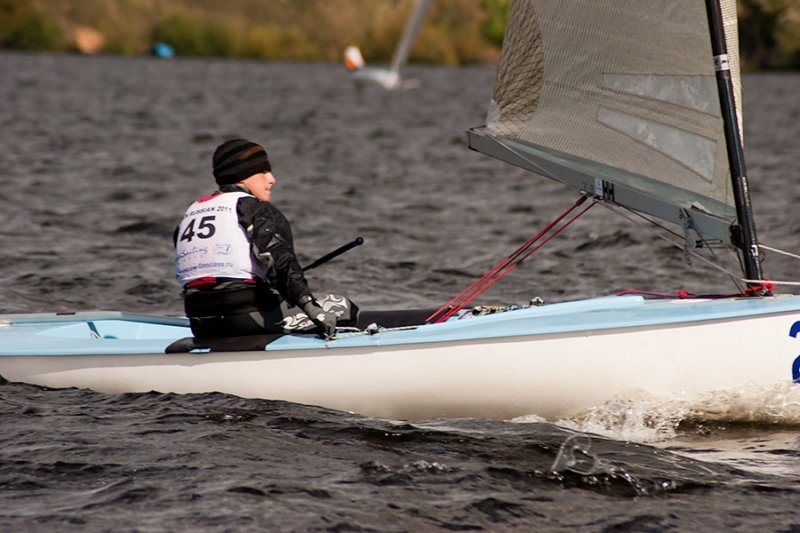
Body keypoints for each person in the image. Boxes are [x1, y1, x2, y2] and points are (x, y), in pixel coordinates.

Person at [174, 138, 356, 340]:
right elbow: (281, 263)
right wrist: (311, 308)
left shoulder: (192, 212)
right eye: (263, 171)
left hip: (200, 322)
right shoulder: (255, 208)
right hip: (244, 317)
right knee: (344, 307)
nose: (272, 179)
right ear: (242, 176)